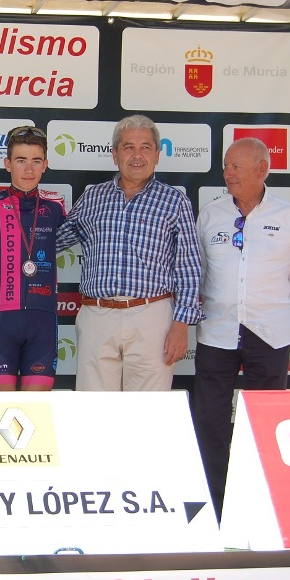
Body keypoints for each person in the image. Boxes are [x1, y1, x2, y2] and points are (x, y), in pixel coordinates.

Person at [192, 137, 290, 520]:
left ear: (262, 169)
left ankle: (259, 508)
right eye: (226, 166)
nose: (227, 173)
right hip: (217, 333)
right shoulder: (210, 215)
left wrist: (273, 313)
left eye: (235, 167)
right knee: (209, 421)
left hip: (270, 335)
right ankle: (215, 507)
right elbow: (198, 273)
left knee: (264, 423)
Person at [54, 114, 203, 391]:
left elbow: (189, 268)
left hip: (151, 317)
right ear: (115, 154)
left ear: (157, 154)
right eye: (128, 147)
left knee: (147, 409)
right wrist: (6, 236)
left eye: (146, 147)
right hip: (97, 316)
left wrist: (181, 325)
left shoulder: (175, 201)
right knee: (93, 408)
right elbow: (53, 241)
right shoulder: (93, 197)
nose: (137, 155)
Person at [0, 126, 66, 391]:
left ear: (45, 165)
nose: (29, 169)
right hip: (1, 319)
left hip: (43, 321)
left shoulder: (56, 206)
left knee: (35, 410)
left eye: (36, 161)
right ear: (7, 164)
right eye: (21, 160)